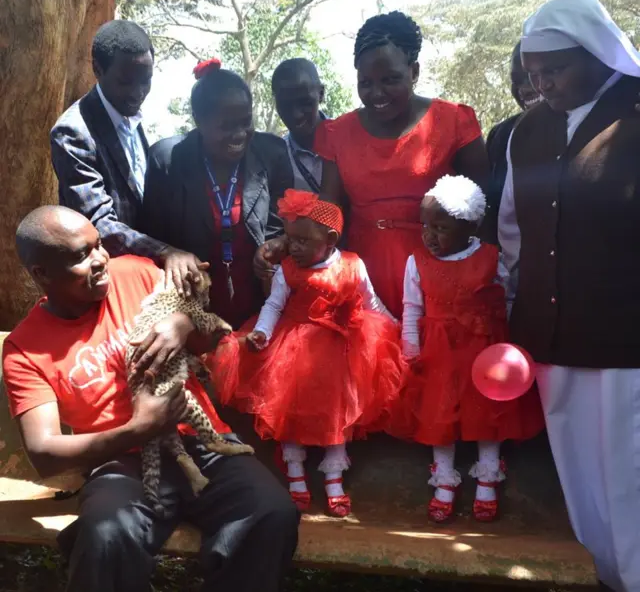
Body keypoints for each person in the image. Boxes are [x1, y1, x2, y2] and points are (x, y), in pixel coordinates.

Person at [1, 205, 298, 592]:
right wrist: (139, 428)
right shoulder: (26, 348)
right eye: (80, 255)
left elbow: (211, 340)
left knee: (271, 513)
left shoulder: (136, 273)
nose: (99, 260)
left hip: (202, 444)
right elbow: (44, 453)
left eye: (98, 246)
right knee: (105, 538)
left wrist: (186, 323)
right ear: (42, 274)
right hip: (120, 463)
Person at [498, 0, 640, 592]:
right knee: (580, 473)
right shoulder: (526, 131)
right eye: (533, 74)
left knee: (630, 471)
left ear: (596, 55)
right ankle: (608, 577)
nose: (543, 85)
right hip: (551, 339)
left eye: (553, 70)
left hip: (625, 340)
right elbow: (511, 228)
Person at [255, 11, 490, 319]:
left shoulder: (455, 122)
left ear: (414, 71)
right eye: (365, 83)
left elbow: (485, 208)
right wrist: (290, 240)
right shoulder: (337, 133)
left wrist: (479, 276)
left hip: (440, 271)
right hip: (363, 273)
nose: (376, 93)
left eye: (390, 80)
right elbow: (330, 208)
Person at [212, 190, 404, 518]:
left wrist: (396, 326)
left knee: (338, 415)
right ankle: (296, 477)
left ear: (330, 239)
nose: (293, 247)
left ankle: (334, 480)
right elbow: (273, 304)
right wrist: (263, 332)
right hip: (292, 349)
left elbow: (371, 301)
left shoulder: (352, 265)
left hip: (341, 353)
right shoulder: (289, 270)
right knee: (288, 412)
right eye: (290, 239)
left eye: (302, 240)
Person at [388, 175, 543, 524]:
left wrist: (505, 343)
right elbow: (412, 307)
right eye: (425, 225)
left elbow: (508, 297)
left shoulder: (490, 258)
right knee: (440, 415)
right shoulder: (417, 262)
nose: (429, 235)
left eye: (440, 227)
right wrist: (411, 347)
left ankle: (488, 477)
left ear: (469, 227)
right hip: (438, 353)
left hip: (482, 350)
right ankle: (444, 481)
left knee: (487, 413)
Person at [141, 59, 294, 328]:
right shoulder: (167, 160)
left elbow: (282, 226)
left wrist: (274, 246)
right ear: (199, 121)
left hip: (262, 308)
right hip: (191, 312)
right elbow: (153, 238)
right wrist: (170, 253)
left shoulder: (272, 153)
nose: (240, 134)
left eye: (246, 122)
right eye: (226, 126)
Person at [50, 20, 199, 293]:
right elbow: (98, 225)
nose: (138, 92)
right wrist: (167, 251)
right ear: (98, 69)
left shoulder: (129, 115)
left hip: (143, 274)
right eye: (125, 82)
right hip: (107, 280)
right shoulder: (74, 132)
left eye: (146, 81)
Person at [481, 42, 542, 243]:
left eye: (532, 77)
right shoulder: (502, 135)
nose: (524, 89)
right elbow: (491, 206)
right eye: (516, 81)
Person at [272, 58, 327, 193]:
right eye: (285, 105)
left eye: (305, 103)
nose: (296, 115)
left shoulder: (349, 141)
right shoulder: (275, 159)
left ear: (321, 94)